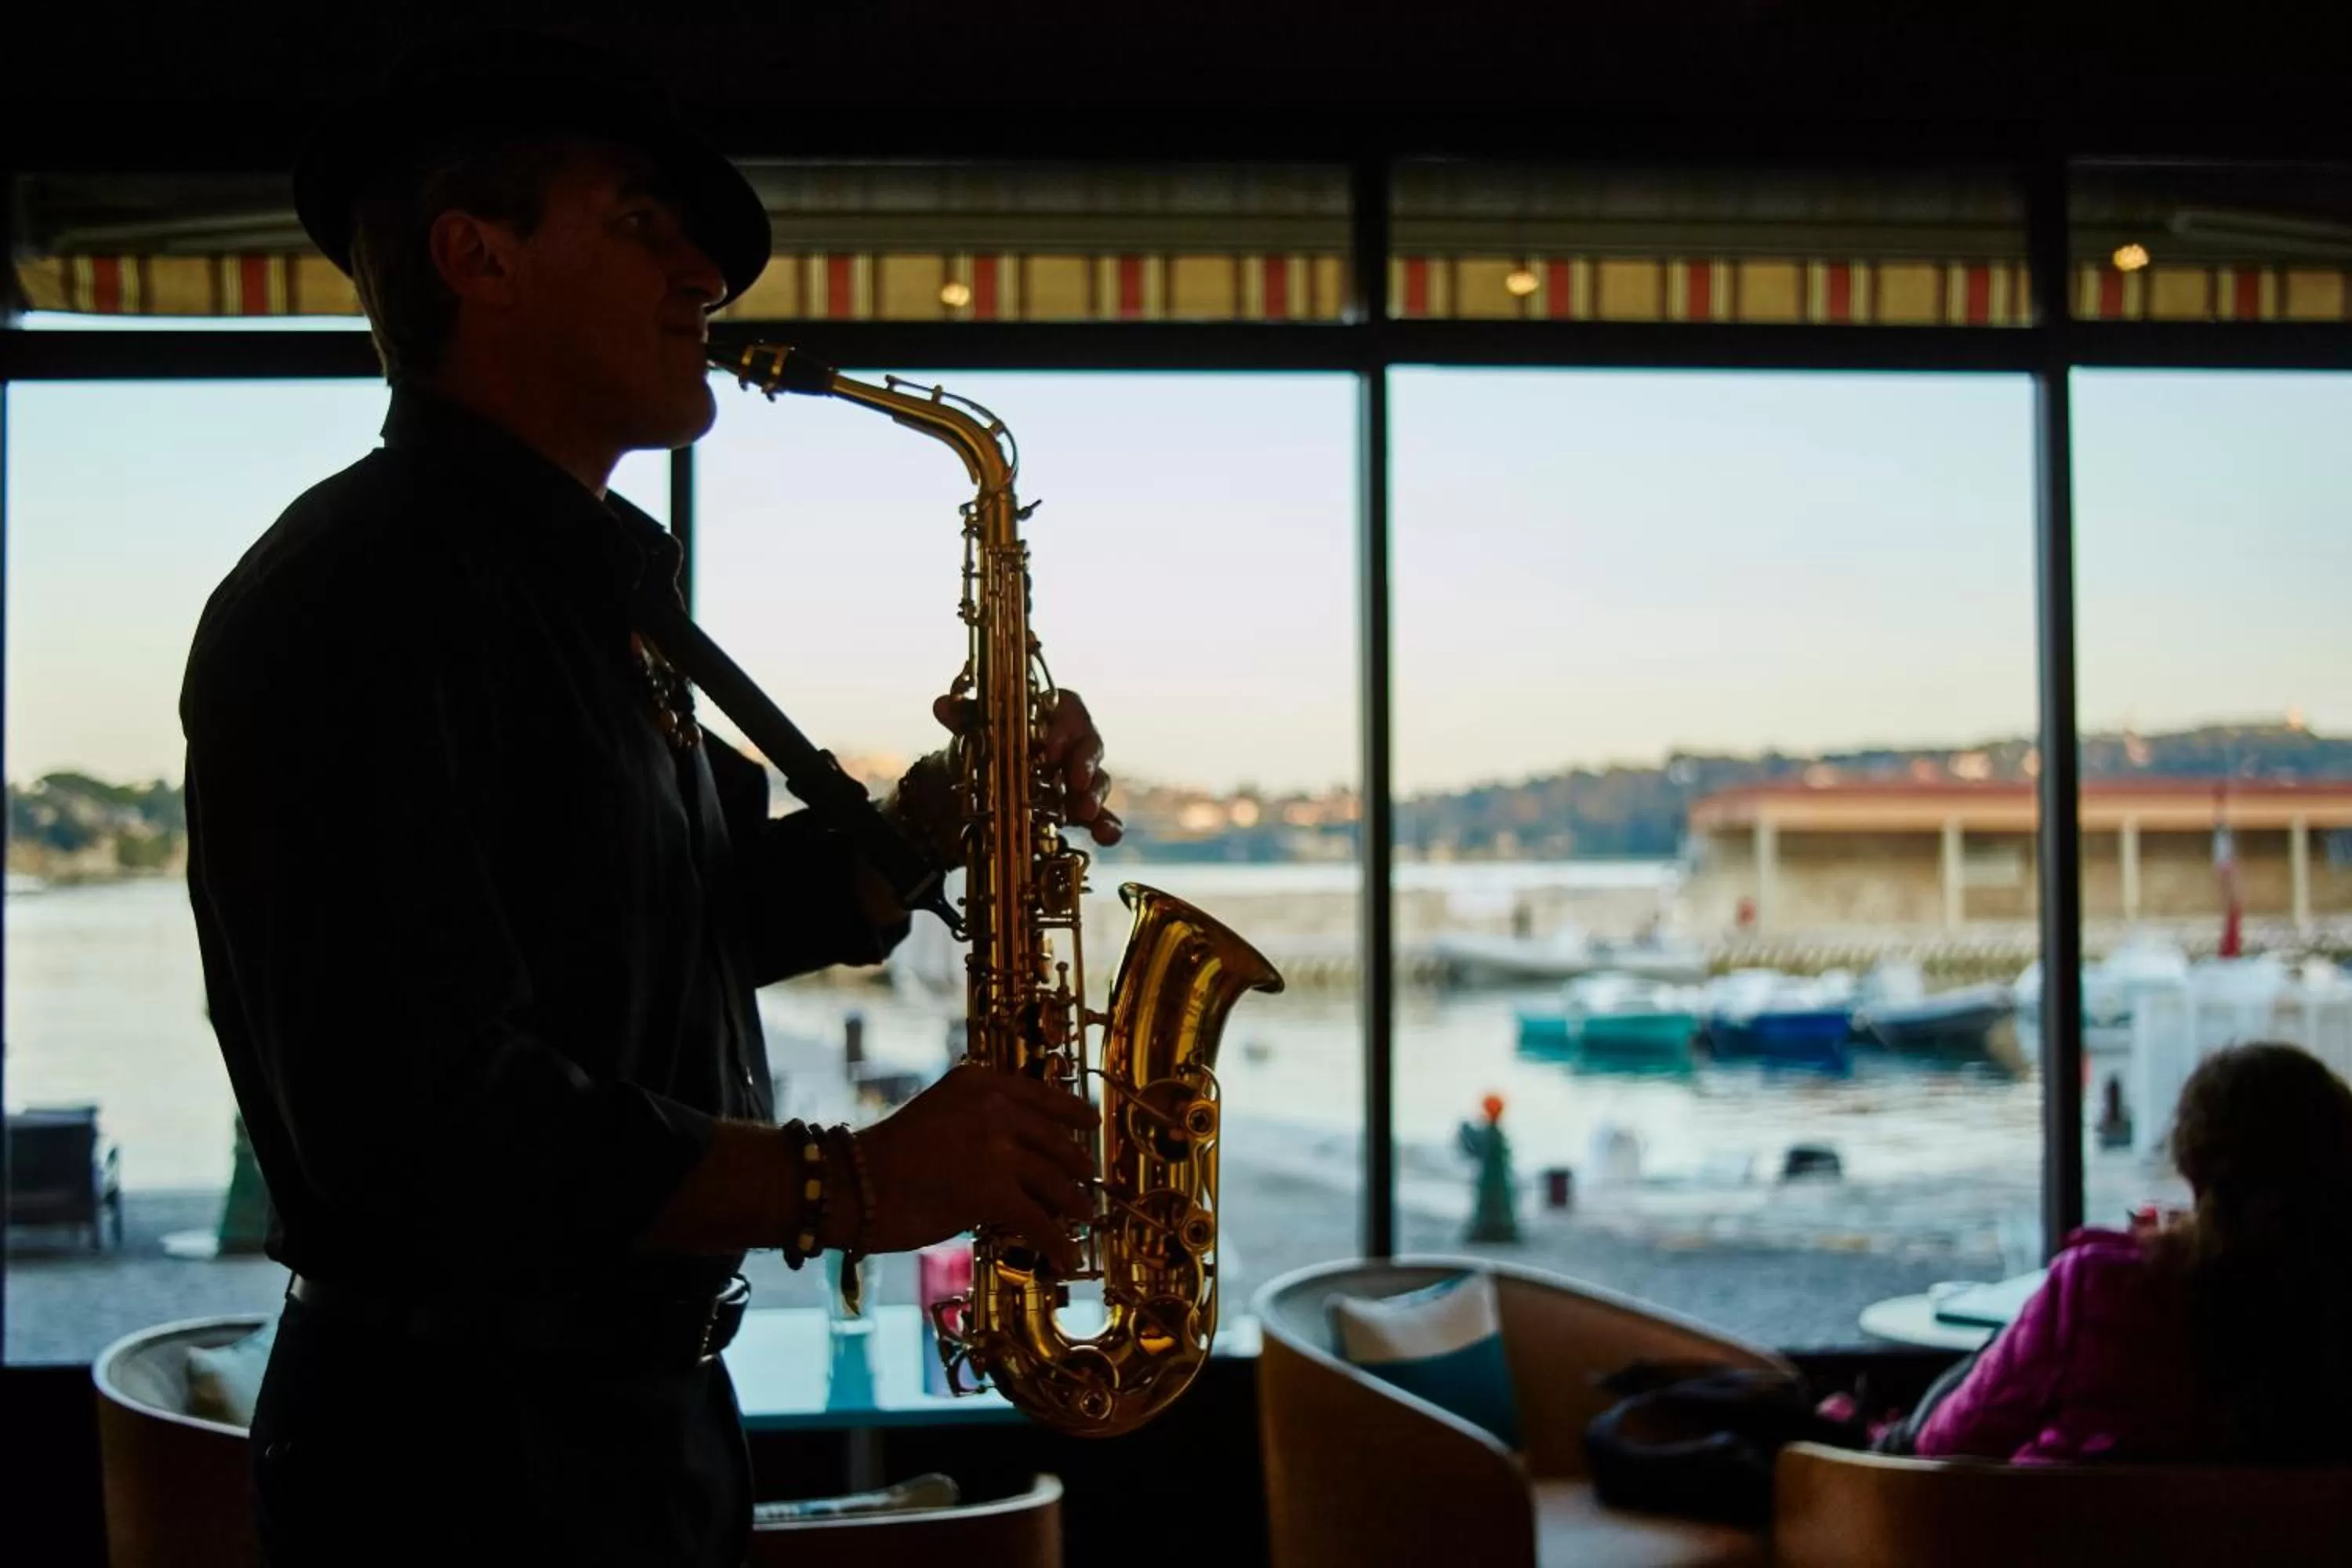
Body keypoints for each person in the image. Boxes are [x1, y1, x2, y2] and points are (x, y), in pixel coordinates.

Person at [180, 31, 1121, 1567]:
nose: (706, 276)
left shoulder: (578, 584)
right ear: (478, 258)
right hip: (460, 1466)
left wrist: (952, 809)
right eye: (640, 224)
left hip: (619, 1428)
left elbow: (679, 923)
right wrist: (854, 1181)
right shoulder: (358, 593)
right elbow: (417, 1117)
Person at [1910, 1041, 2352, 1465]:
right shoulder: (2324, 1312)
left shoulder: (2100, 1290)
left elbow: (1942, 1444)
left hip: (2070, 1523)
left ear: (2192, 1166)